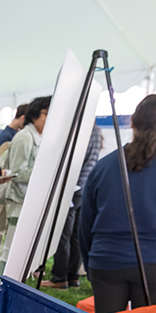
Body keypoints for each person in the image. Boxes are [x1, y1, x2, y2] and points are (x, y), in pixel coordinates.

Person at [79, 94, 156, 313]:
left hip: (107, 260)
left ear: (132, 122)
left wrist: (90, 264)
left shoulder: (104, 166)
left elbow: (85, 222)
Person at [41, 123, 102, 289]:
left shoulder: (81, 130)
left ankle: (59, 277)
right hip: (85, 188)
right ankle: (72, 276)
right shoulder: (95, 130)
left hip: (72, 188)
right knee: (76, 236)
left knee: (63, 235)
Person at [0, 95, 50, 267]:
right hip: (18, 202)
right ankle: (2, 289)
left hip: (28, 202)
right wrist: (45, 172)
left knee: (22, 253)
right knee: (10, 251)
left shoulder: (38, 137)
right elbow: (16, 172)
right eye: (46, 114)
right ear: (35, 115)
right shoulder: (24, 137)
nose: (49, 119)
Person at [0, 103, 29, 266]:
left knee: (5, 224)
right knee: (0, 224)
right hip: (4, 187)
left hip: (11, 187)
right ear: (23, 118)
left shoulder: (14, 134)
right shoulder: (8, 136)